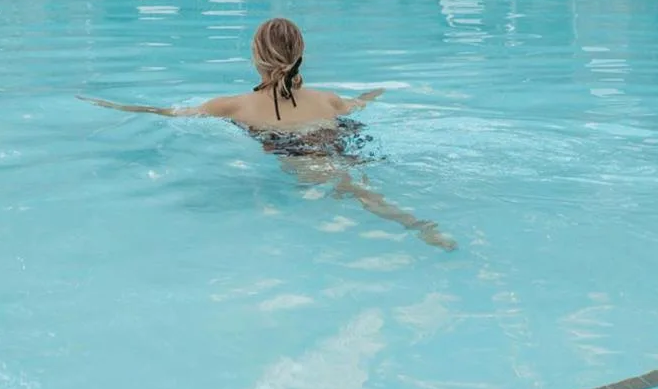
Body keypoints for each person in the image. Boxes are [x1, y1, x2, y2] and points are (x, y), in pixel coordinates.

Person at [82, 17, 455, 251]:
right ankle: (418, 224)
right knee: (356, 185)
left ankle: (420, 227)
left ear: (256, 58)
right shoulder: (328, 100)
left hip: (293, 150)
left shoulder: (233, 106)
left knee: (354, 190)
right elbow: (359, 104)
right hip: (340, 137)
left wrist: (116, 106)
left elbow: (171, 113)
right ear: (300, 56)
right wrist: (377, 92)